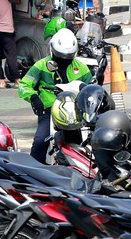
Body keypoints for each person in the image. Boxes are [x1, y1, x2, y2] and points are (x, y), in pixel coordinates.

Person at [18, 28, 93, 163]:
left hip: (76, 112)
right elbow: (24, 85)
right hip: (49, 111)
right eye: (60, 56)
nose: (64, 60)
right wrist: (34, 98)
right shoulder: (41, 65)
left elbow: (92, 88)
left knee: (89, 141)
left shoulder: (81, 67)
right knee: (41, 141)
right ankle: (34, 171)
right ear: (52, 50)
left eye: (67, 57)